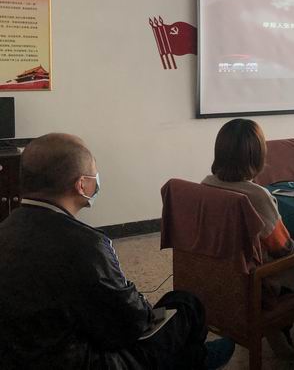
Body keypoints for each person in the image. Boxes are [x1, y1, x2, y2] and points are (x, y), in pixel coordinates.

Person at [0, 133, 234, 370]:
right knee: (186, 304)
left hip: (22, 356)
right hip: (88, 361)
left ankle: (194, 358)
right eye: (94, 174)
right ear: (82, 185)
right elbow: (133, 324)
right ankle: (198, 359)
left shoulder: (5, 229)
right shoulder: (87, 246)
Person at [202, 119, 294, 358]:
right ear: (257, 157)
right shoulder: (257, 196)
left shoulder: (205, 185)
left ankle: (276, 326)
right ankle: (278, 321)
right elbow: (284, 249)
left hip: (225, 275)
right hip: (263, 279)